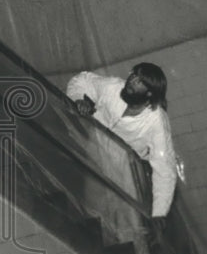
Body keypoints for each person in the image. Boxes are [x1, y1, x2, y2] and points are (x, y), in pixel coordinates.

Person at [66, 62, 178, 220]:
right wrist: (77, 98)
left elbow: (164, 169)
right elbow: (81, 80)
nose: (131, 81)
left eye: (139, 82)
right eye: (133, 75)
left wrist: (159, 214)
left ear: (149, 94)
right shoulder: (113, 87)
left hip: (126, 169)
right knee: (92, 206)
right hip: (95, 152)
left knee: (127, 219)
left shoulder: (157, 121)